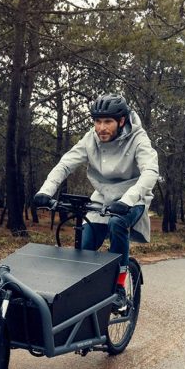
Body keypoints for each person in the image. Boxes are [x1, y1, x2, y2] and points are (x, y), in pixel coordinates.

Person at [33, 93, 159, 309]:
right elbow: (66, 164)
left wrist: (128, 200)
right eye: (98, 121)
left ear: (121, 121)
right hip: (102, 197)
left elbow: (150, 172)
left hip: (132, 197)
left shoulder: (139, 138)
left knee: (117, 223)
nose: (101, 128)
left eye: (108, 122)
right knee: (84, 246)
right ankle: (79, 296)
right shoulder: (91, 138)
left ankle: (119, 286)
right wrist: (46, 191)